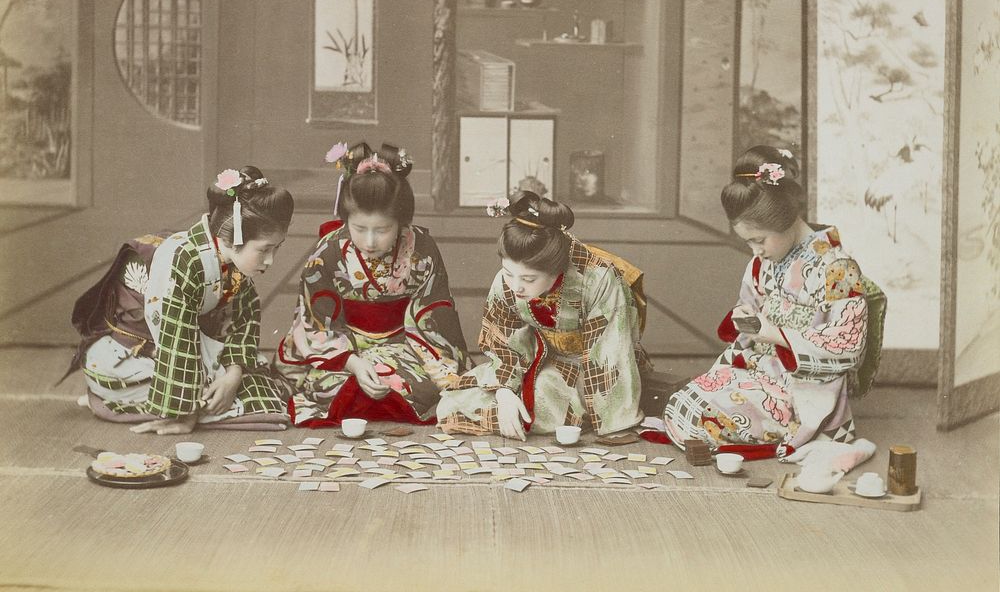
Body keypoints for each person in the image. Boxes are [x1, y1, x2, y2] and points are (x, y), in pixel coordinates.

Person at [663, 146, 868, 458]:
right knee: (682, 404)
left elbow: (849, 345)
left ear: (786, 219)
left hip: (800, 390)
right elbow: (748, 307)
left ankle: (798, 431)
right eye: (748, 242)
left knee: (700, 418)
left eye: (759, 240)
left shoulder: (839, 268)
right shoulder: (763, 262)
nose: (755, 251)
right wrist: (744, 316)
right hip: (757, 371)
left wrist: (775, 333)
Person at [68, 166, 293, 434]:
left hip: (191, 343)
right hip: (141, 347)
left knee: (248, 379)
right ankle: (114, 399)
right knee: (251, 395)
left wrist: (233, 373)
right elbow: (176, 338)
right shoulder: (183, 261)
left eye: (276, 248)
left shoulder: (230, 258)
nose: (270, 260)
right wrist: (185, 415)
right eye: (264, 250)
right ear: (232, 239)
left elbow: (244, 317)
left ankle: (136, 401)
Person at [273, 142, 471, 427]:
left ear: (401, 221)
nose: (369, 242)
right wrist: (353, 362)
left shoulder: (422, 250)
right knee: (323, 386)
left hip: (405, 342)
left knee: (417, 383)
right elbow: (315, 323)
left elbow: (434, 315)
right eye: (359, 229)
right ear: (346, 219)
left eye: (382, 230)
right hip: (342, 348)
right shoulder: (327, 253)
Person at [437, 191, 648, 440]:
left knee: (542, 397)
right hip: (534, 357)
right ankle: (515, 412)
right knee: (453, 401)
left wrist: (614, 422)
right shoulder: (507, 283)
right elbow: (504, 343)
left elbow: (611, 351)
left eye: (528, 279)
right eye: (508, 273)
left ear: (556, 269)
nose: (516, 286)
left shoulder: (599, 279)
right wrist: (505, 393)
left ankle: (542, 414)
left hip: (588, 364)